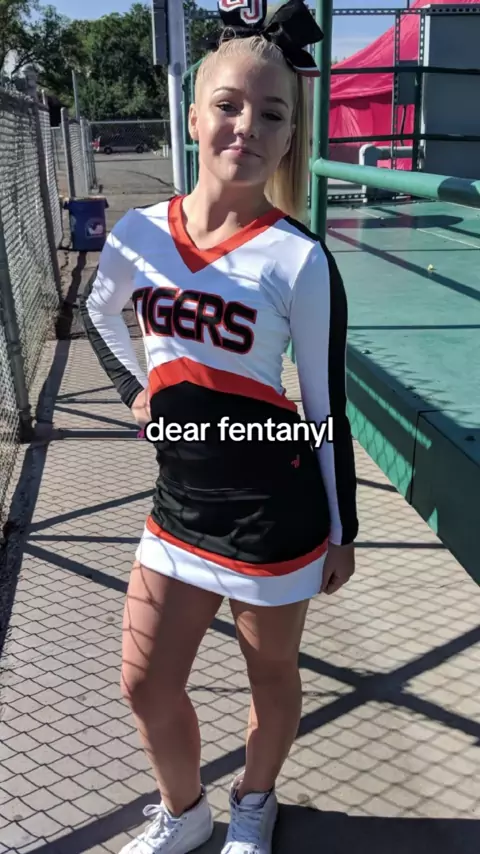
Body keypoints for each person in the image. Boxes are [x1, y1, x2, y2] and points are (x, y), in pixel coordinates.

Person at [80, 2, 358, 852]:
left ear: (289, 137)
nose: (248, 127)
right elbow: (99, 312)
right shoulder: (139, 235)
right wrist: (136, 392)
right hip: (178, 509)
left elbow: (324, 407)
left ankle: (255, 801)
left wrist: (341, 530)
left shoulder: (298, 258)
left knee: (271, 676)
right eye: (230, 105)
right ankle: (187, 812)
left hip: (274, 517)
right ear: (195, 116)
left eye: (272, 114)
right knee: (144, 682)